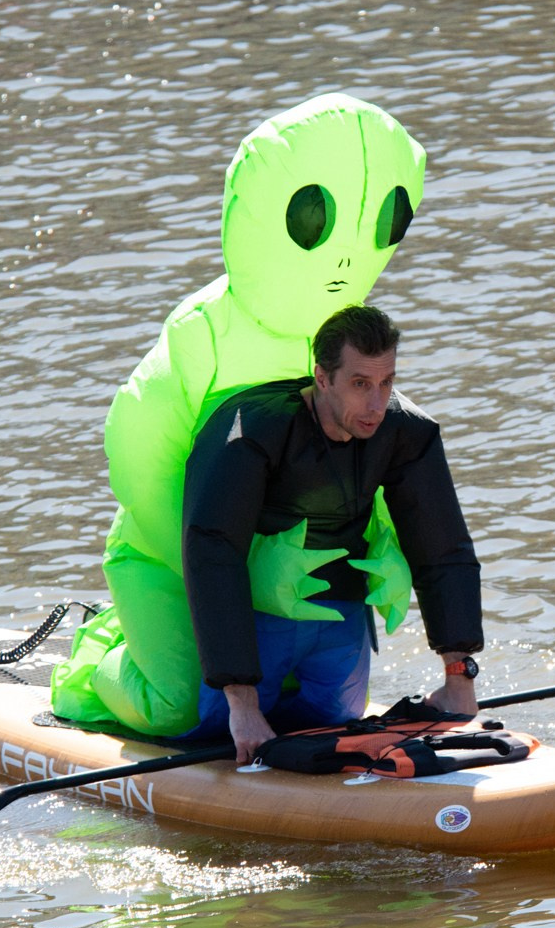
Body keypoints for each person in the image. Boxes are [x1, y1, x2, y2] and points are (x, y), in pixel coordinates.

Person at [50, 94, 426, 735]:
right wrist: (244, 570)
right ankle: (95, 657)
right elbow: (139, 458)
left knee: (327, 708)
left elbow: (377, 447)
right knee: (179, 708)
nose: (345, 258)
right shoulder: (203, 335)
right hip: (169, 557)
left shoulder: (352, 337)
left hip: (300, 573)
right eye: (313, 218)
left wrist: (393, 549)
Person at [181, 304, 484, 763]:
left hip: (339, 611)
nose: (377, 404)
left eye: (387, 382)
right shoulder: (255, 427)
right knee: (214, 730)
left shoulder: (406, 430)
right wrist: (241, 702)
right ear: (322, 378)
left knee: (336, 717)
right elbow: (212, 550)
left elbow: (442, 547)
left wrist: (458, 677)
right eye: (360, 384)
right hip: (256, 613)